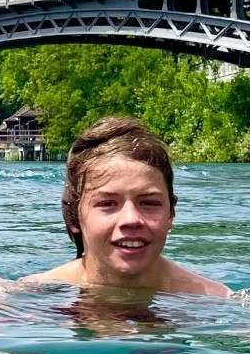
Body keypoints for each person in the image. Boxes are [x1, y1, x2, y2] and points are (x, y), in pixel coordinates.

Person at [21, 116, 228, 297]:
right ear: (74, 217)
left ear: (171, 213)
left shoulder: (215, 301)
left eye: (149, 203)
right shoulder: (34, 296)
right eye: (107, 203)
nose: (131, 219)